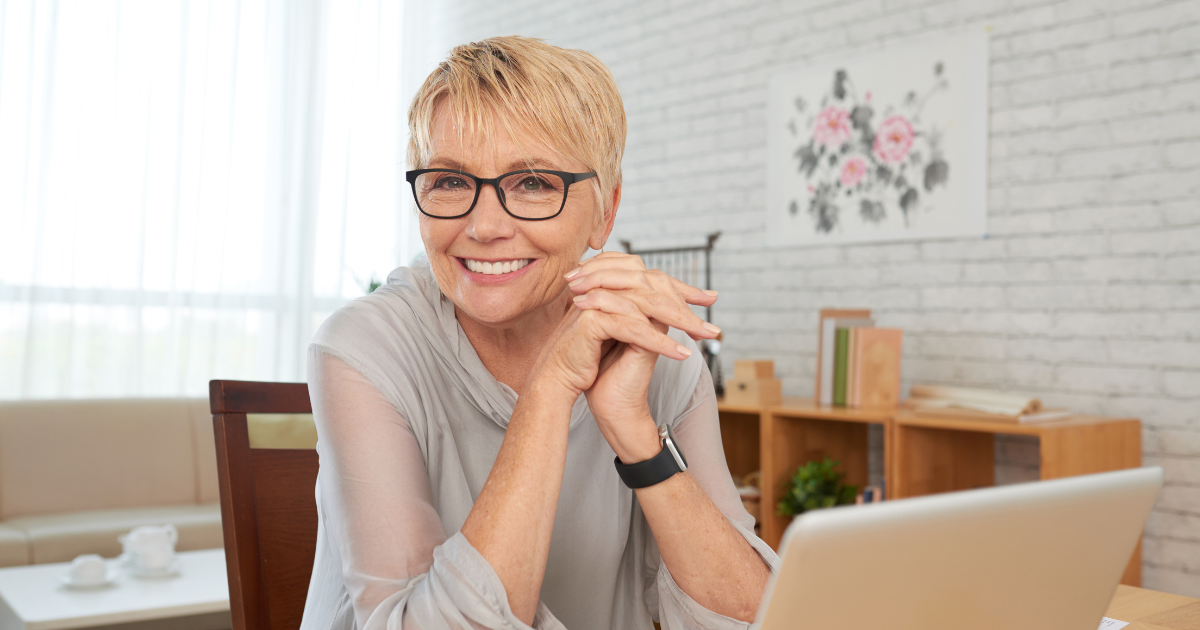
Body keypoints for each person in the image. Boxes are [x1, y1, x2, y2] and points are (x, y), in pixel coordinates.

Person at [299, 36, 776, 630]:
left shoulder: (656, 354)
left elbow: (758, 617)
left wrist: (638, 437)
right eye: (449, 181)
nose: (484, 225)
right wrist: (550, 389)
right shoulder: (363, 348)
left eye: (533, 183)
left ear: (606, 209)